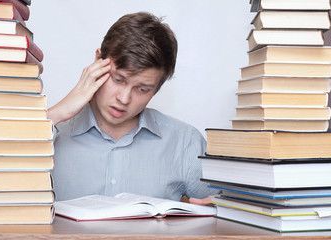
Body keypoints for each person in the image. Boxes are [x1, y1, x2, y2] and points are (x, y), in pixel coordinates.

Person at [48, 12, 217, 204]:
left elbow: (225, 214)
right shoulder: (51, 132)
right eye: (118, 79)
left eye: (142, 89)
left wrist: (220, 211)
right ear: (97, 62)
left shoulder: (185, 142)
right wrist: (56, 115)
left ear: (156, 89)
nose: (124, 98)